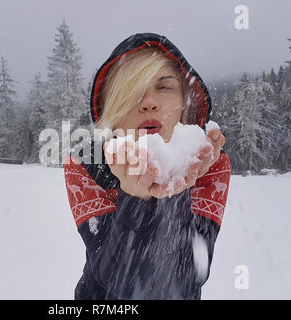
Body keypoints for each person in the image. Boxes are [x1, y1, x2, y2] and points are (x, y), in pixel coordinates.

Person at [64, 33, 231, 299]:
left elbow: (188, 277)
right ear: (113, 111)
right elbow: (119, 283)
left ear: (185, 103)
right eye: (132, 92)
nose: (148, 102)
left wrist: (177, 193)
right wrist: (135, 197)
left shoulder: (209, 165)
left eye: (163, 87)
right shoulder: (85, 167)